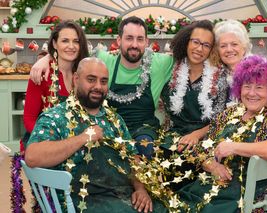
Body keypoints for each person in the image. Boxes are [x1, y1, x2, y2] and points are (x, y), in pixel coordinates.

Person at [129, 55, 267, 212]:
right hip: (214, 187)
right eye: (247, 86)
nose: (251, 93)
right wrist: (211, 164)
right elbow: (202, 149)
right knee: (165, 201)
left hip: (253, 196)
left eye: (259, 87)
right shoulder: (231, 113)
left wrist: (234, 147)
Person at [29, 16, 174, 159]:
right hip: (109, 127)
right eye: (129, 38)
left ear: (147, 42)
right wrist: (46, 58)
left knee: (144, 149)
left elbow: (189, 56)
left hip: (143, 129)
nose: (134, 44)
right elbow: (73, 54)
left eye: (140, 39)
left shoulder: (161, 63)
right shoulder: (103, 59)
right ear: (119, 41)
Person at [25, 57, 157, 213]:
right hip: (81, 203)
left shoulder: (114, 120)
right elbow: (32, 156)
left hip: (121, 196)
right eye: (91, 80)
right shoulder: (56, 117)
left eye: (103, 81)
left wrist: (140, 189)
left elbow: (133, 158)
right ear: (76, 79)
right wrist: (83, 138)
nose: (98, 87)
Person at [159, 20, 229, 190]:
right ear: (186, 41)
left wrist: (197, 135)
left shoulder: (219, 77)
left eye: (206, 45)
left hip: (206, 136)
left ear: (212, 48)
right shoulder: (170, 68)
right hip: (174, 134)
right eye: (195, 42)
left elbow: (220, 119)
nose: (199, 49)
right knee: (168, 160)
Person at [22, 20, 89, 152]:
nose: (71, 46)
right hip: (44, 143)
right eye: (65, 41)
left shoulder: (83, 73)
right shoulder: (43, 74)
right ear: (54, 43)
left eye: (76, 41)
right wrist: (50, 139)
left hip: (76, 143)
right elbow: (29, 119)